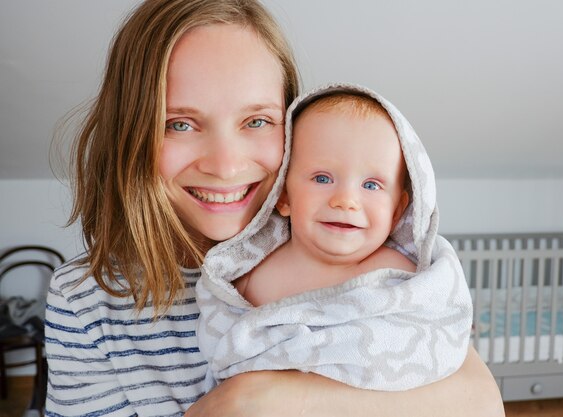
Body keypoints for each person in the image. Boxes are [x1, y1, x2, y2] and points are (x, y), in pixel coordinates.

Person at [45, 0, 504, 416]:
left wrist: (266, 400)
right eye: (179, 124)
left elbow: (480, 404)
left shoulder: (360, 256)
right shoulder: (85, 300)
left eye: (257, 121)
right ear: (131, 132)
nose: (225, 166)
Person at [197, 83, 473, 392]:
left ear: (397, 212)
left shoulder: (403, 274)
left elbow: (429, 338)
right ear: (284, 196)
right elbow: (224, 340)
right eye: (322, 178)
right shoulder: (252, 274)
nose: (346, 200)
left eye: (371, 185)